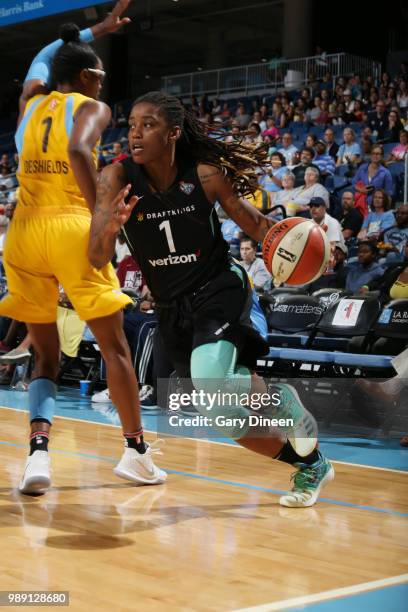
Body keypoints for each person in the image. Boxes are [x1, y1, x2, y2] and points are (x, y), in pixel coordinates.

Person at [88, 91, 334, 507]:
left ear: (173, 133)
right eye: (131, 125)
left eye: (148, 125)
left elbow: (256, 225)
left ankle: (282, 402)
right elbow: (95, 257)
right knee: (220, 413)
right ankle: (310, 464)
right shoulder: (115, 179)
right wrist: (111, 227)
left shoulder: (205, 174)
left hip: (219, 288)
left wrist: (305, 248)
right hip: (171, 307)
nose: (135, 133)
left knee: (208, 380)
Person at [0, 1, 166, 495]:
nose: (104, 80)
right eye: (101, 73)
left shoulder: (30, 103)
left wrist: (91, 31)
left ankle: (37, 458)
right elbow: (77, 149)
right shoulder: (93, 107)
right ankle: (135, 451)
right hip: (71, 226)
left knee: (44, 357)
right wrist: (99, 215)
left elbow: (41, 59)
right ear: (88, 77)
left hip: (23, 232)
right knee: (114, 347)